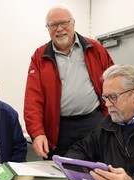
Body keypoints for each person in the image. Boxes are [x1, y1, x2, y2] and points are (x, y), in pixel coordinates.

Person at [24, 4, 114, 160]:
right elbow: (33, 101)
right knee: (59, 174)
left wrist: (113, 120)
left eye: (64, 23)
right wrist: (37, 133)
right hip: (58, 129)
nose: (59, 29)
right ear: (48, 28)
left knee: (97, 170)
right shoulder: (39, 56)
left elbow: (114, 85)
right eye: (53, 25)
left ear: (73, 23)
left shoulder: (95, 48)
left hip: (93, 122)